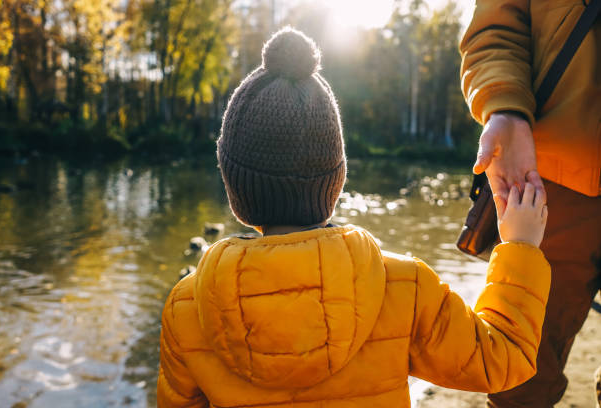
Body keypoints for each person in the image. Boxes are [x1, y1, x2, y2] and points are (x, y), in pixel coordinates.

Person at [156, 27, 550, 408]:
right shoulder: (402, 287)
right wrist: (520, 247)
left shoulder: (187, 307)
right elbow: (501, 358)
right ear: (336, 180)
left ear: (234, 187)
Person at [459, 1, 601, 407]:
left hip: (543, 177)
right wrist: (502, 106)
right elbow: (495, 30)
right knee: (521, 380)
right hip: (549, 180)